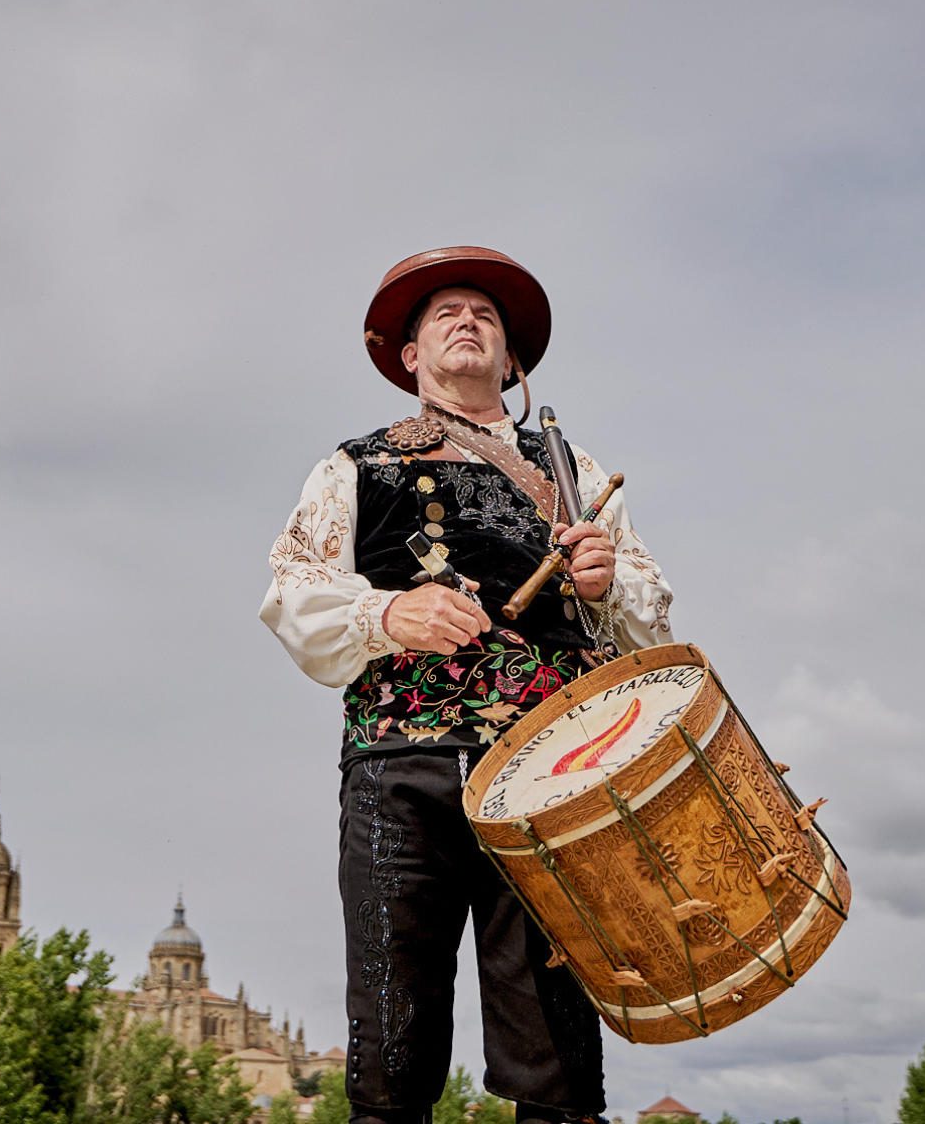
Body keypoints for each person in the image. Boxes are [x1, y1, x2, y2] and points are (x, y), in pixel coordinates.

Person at [260, 247, 674, 1124]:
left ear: (513, 359)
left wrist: (608, 583)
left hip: (556, 777)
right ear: (410, 356)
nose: (467, 320)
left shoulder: (577, 477)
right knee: (393, 1044)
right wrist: (387, 617)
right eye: (444, 312)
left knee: (556, 1056)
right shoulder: (353, 466)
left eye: (485, 313)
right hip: (399, 770)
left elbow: (650, 625)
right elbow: (290, 593)